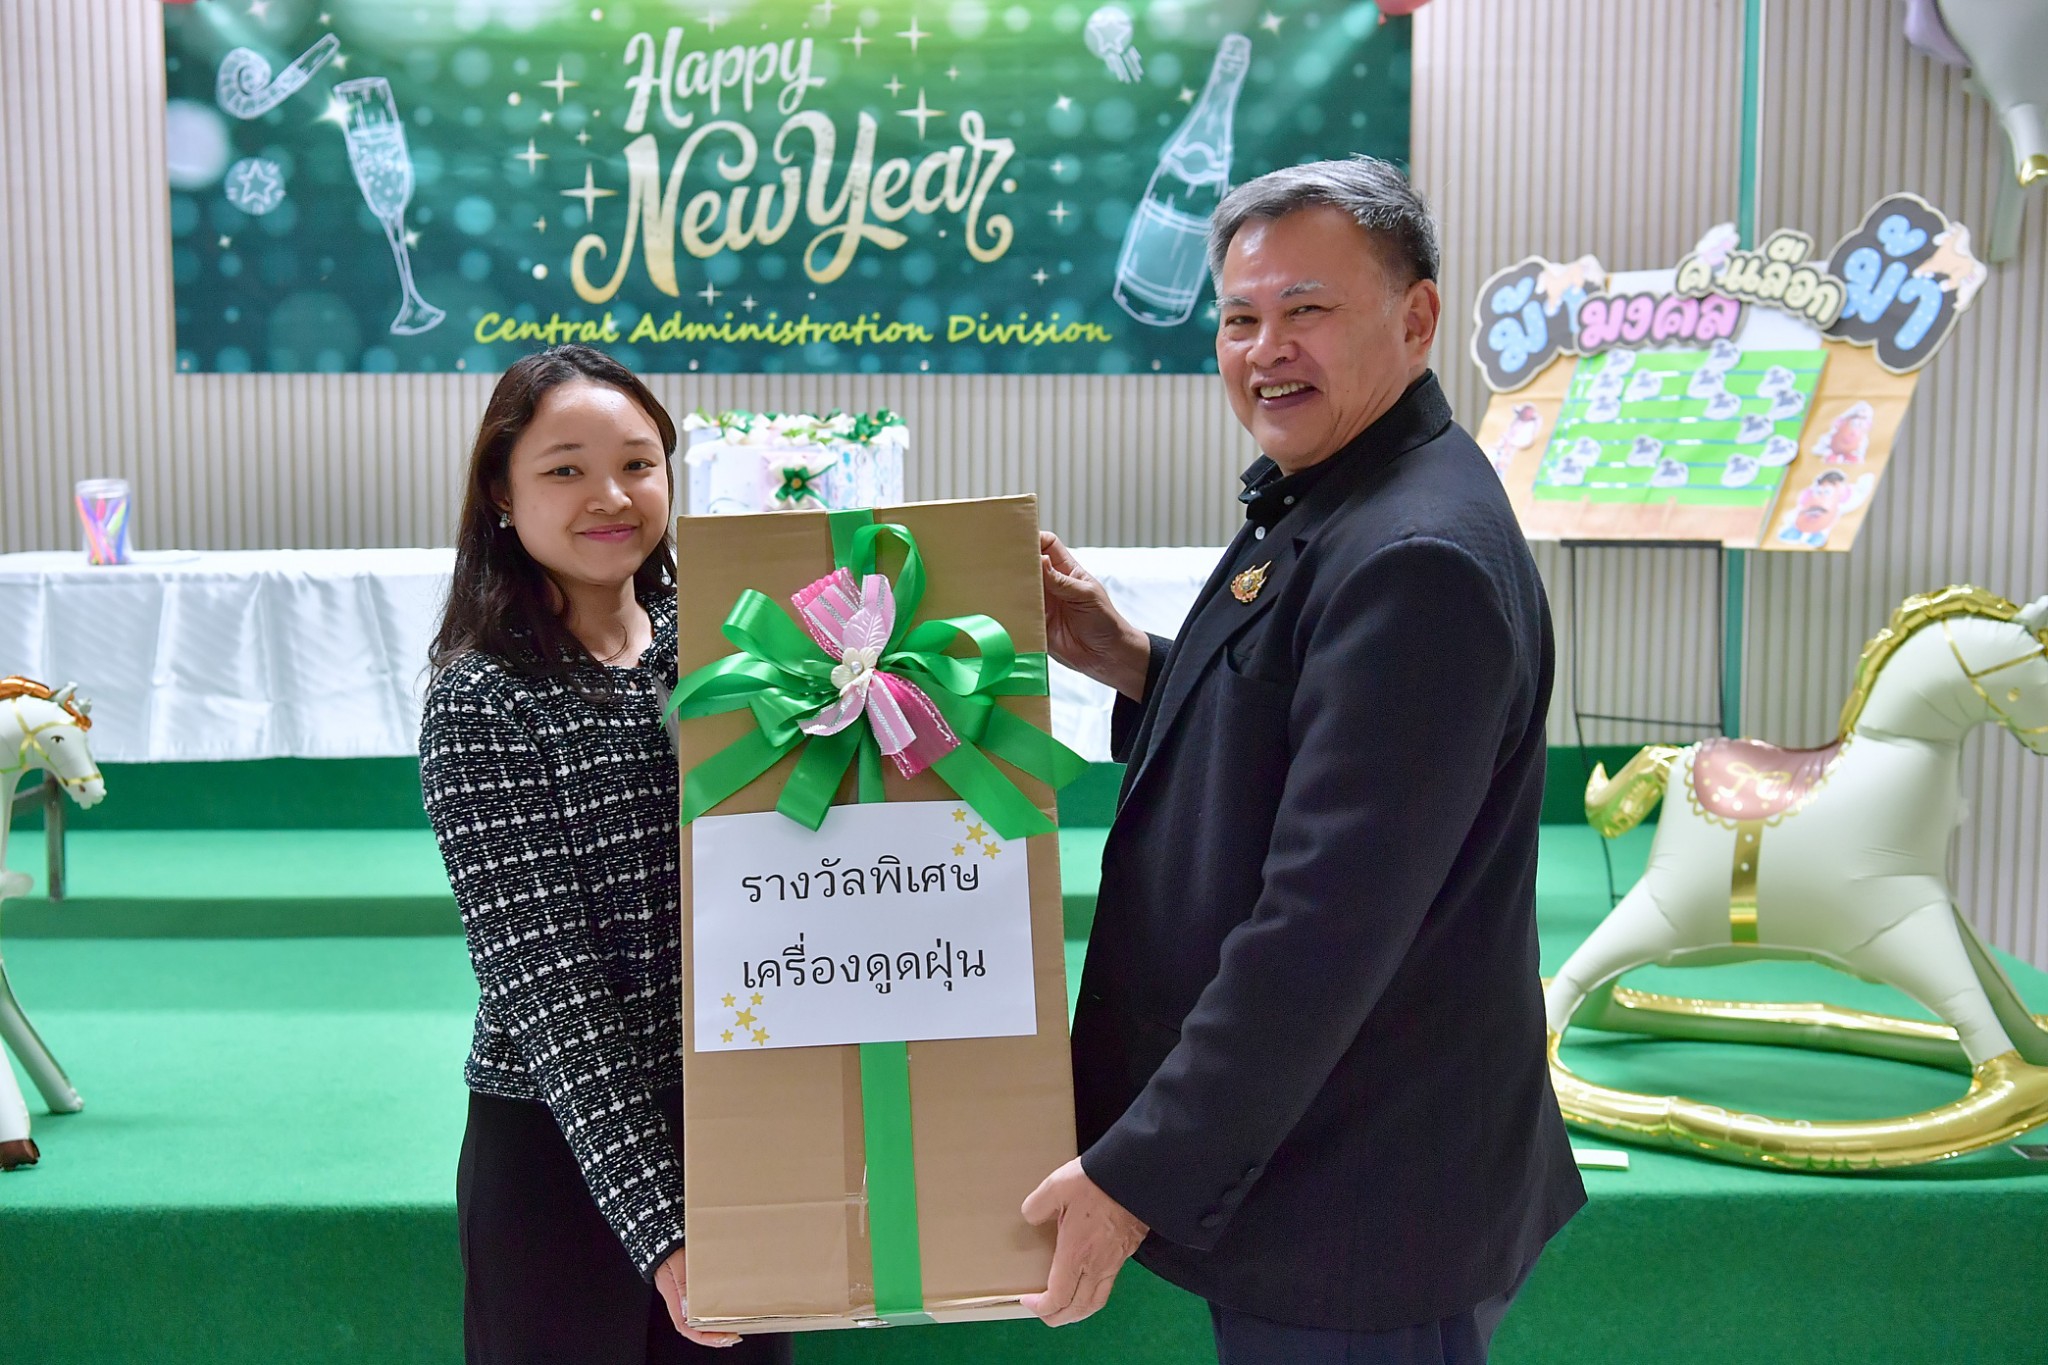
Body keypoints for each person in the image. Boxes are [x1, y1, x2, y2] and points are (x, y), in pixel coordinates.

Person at [1021, 158, 1586, 1363]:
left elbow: (1323, 930)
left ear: (1415, 317)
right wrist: (1125, 658)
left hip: (1362, 1195)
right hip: (1326, 1162)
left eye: (1306, 310)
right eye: (1238, 318)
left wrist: (1138, 1173)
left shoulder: (1414, 556)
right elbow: (1304, 733)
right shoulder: (1342, 489)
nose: (1265, 349)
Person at [419, 345, 786, 1364]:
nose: (612, 496)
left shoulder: (728, 653)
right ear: (502, 493)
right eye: (566, 469)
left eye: (637, 464)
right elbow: (548, 988)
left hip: (740, 1126)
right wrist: (662, 1226)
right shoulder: (483, 697)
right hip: (560, 1148)